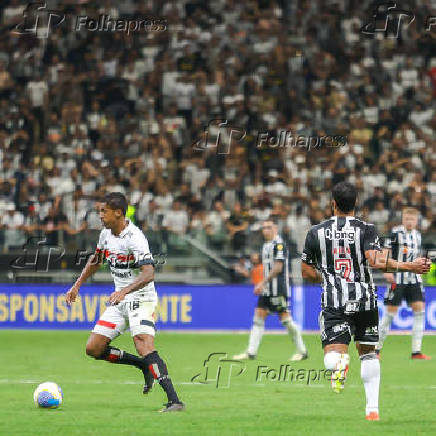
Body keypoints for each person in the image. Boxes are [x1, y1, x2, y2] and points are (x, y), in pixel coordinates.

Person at [301, 182, 431, 421]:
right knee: (369, 354)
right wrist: (408, 266)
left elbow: (306, 271)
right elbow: (376, 261)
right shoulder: (366, 229)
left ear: (333, 204)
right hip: (365, 300)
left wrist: (326, 276)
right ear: (356, 204)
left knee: (333, 356)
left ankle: (339, 363)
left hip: (334, 301)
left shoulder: (315, 232)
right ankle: (373, 409)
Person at [65, 192, 185, 413]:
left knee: (143, 344)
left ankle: (174, 401)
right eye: (100, 211)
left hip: (141, 298)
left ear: (118, 213)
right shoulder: (106, 235)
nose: (100, 216)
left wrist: (125, 291)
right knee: (93, 348)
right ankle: (142, 365)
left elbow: (149, 273)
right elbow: (97, 259)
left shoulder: (135, 237)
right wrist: (77, 284)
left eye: (104, 211)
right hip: (119, 298)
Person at [233, 218, 308, 361]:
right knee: (258, 318)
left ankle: (302, 351)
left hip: (278, 290)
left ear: (275, 229)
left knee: (286, 320)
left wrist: (261, 283)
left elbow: (278, 268)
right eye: (264, 227)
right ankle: (251, 352)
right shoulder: (266, 245)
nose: (265, 230)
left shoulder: (279, 245)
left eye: (268, 227)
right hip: (267, 290)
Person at [376, 206, 430, 359]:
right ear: (403, 219)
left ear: (416, 221)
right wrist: (387, 271)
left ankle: (416, 352)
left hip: (414, 280)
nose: (410, 222)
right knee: (389, 315)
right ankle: (376, 349)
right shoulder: (395, 233)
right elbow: (385, 253)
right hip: (397, 279)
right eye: (407, 219)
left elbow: (417, 256)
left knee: (420, 312)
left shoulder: (417, 235)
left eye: (412, 219)